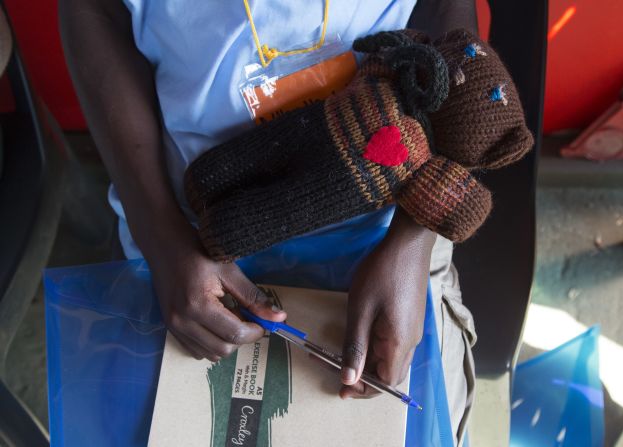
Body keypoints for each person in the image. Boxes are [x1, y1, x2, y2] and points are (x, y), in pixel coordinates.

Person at [59, 0, 479, 443]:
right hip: (186, 242)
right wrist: (162, 239)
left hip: (391, 233)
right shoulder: (171, 240)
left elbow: (447, 13)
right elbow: (93, 9)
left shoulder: (407, 238)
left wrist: (415, 236)